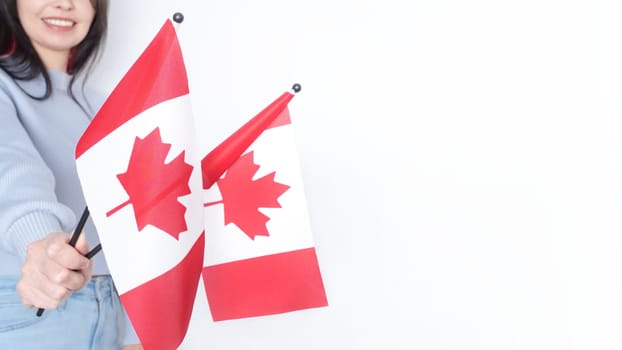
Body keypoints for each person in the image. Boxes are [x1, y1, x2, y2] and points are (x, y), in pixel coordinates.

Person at [0, 0, 141, 348]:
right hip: (29, 308)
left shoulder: (102, 105)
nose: (64, 3)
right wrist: (43, 245)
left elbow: (132, 218)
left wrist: (138, 330)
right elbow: (12, 171)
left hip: (113, 312)